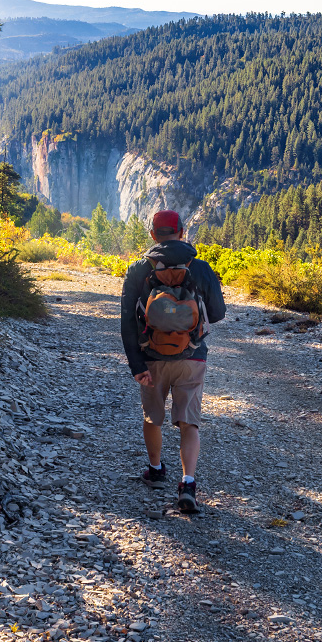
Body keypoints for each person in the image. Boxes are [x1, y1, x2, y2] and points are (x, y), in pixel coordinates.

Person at [120, 210, 226, 513]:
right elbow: (217, 314)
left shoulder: (140, 269)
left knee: (153, 416)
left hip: (151, 358)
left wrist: (136, 365)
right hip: (192, 357)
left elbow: (128, 320)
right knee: (188, 422)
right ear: (182, 232)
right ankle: (188, 483)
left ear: (153, 234)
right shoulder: (201, 268)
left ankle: (155, 471)